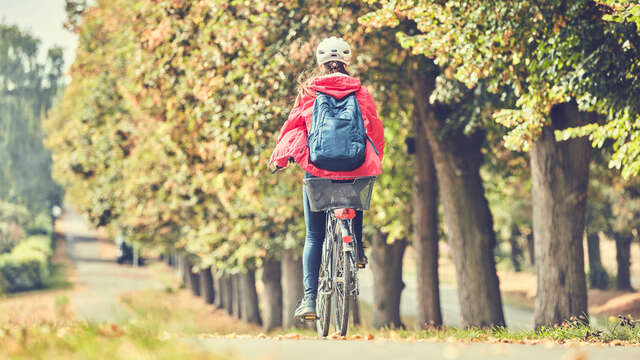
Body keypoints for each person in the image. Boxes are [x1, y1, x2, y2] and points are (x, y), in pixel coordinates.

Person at [270, 37, 385, 320]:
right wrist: (375, 157)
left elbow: (293, 127)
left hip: (318, 170)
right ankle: (356, 249)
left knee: (313, 236)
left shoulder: (309, 92)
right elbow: (375, 129)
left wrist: (280, 157)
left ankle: (310, 300)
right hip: (356, 168)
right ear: (346, 62)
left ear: (321, 64)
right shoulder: (361, 92)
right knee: (356, 191)